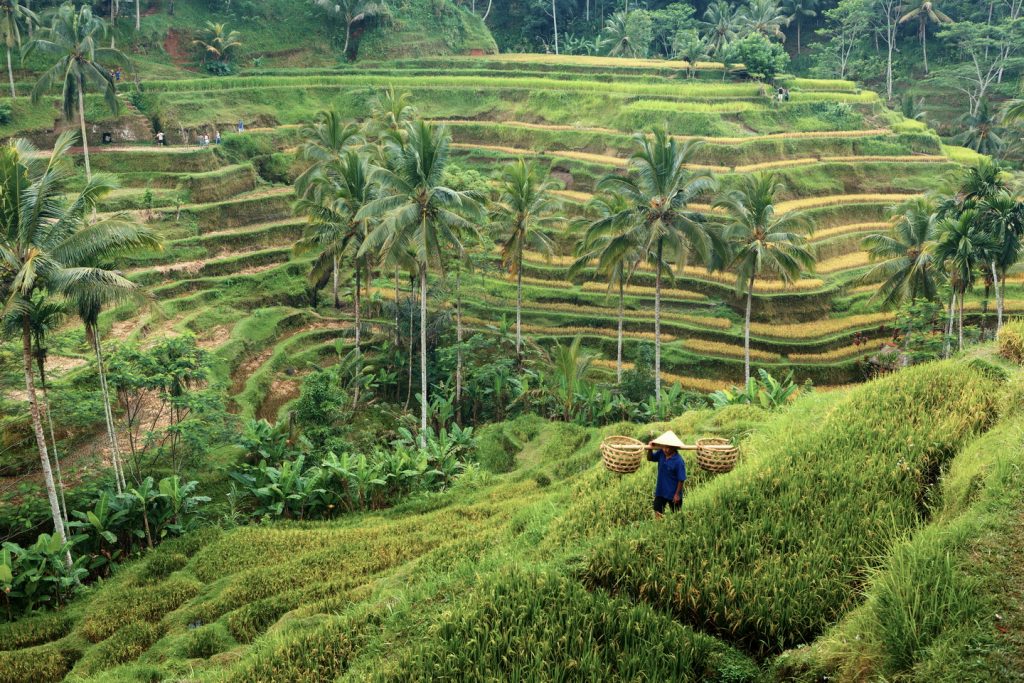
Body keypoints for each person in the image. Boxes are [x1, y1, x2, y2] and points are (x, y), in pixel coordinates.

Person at [645, 430, 687, 519]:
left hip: (673, 492)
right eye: (664, 447)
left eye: (668, 448)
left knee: (677, 515)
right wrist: (650, 449)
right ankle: (659, 530)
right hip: (661, 490)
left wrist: (677, 494)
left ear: (674, 447)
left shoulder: (679, 461)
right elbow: (650, 458)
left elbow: (681, 479)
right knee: (657, 512)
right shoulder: (661, 453)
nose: (666, 450)